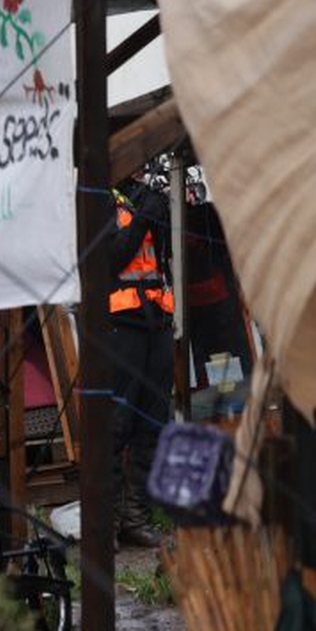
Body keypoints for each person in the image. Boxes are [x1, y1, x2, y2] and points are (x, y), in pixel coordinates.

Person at [108, 182, 175, 547]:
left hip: (158, 322)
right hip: (122, 327)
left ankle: (136, 517)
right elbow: (112, 257)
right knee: (117, 425)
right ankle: (108, 522)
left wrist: (158, 218)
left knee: (153, 423)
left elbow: (162, 258)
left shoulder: (144, 195)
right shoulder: (95, 198)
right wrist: (141, 220)